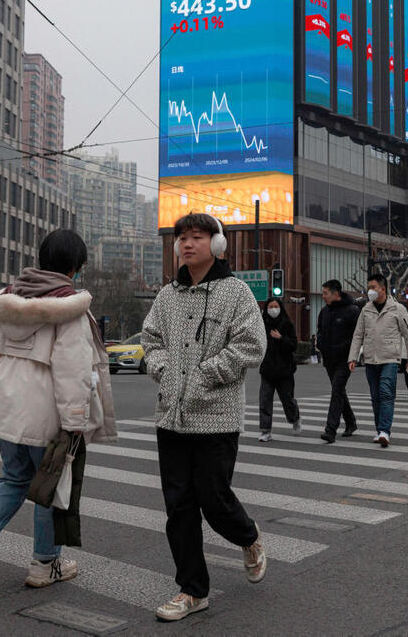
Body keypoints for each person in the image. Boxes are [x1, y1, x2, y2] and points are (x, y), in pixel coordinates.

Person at [0, 229, 116, 591]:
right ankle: (45, 564)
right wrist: (75, 422)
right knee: (49, 485)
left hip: (6, 407)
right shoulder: (69, 307)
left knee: (14, 477)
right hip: (45, 412)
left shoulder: (11, 299)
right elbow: (72, 369)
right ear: (76, 266)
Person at [141, 213, 267, 622]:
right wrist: (161, 367)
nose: (188, 243)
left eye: (197, 236)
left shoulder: (237, 293)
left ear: (216, 244)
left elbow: (252, 344)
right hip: (171, 417)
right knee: (178, 506)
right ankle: (193, 590)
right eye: (182, 237)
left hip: (216, 416)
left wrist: (207, 374)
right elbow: (150, 340)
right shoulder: (167, 297)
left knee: (214, 500)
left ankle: (248, 537)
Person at [348, 274, 408, 448]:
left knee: (386, 393)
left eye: (373, 287)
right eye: (368, 287)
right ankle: (380, 430)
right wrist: (353, 357)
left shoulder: (398, 309)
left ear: (382, 289)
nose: (369, 291)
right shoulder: (366, 309)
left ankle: (385, 431)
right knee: (375, 397)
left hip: (390, 358)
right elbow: (358, 335)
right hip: (371, 359)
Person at [317, 280, 361, 443]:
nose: (323, 296)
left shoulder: (352, 310)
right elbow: (319, 331)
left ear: (336, 293)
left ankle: (330, 430)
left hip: (345, 359)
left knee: (336, 390)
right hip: (329, 359)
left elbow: (356, 336)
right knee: (339, 391)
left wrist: (344, 349)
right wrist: (320, 344)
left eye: (325, 293)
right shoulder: (324, 311)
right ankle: (351, 422)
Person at [257, 296, 300, 442]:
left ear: (280, 308)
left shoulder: (287, 324)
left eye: (275, 306)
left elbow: (293, 345)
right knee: (265, 400)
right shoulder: (262, 324)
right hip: (267, 370)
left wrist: (281, 338)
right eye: (270, 307)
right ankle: (265, 430)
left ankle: (295, 419)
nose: (273, 309)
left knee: (287, 400)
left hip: (284, 370)